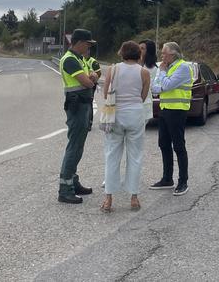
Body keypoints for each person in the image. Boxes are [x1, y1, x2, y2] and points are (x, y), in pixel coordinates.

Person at [100, 41, 150, 212]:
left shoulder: (113, 69)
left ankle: (108, 198)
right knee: (135, 156)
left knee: (112, 155)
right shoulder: (144, 72)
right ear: (139, 54)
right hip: (135, 114)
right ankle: (134, 197)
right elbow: (143, 96)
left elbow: (106, 93)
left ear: (121, 53)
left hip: (115, 115)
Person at [57, 29, 99, 204]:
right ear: (79, 42)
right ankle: (65, 189)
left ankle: (73, 182)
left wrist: (93, 76)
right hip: (77, 106)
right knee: (74, 146)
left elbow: (94, 75)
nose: (89, 47)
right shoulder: (70, 60)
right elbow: (88, 81)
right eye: (88, 44)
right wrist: (92, 78)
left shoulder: (80, 59)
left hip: (83, 104)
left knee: (78, 146)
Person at [149, 41, 194, 196]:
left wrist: (161, 74)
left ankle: (183, 182)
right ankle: (167, 178)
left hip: (177, 111)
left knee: (179, 146)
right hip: (165, 110)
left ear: (173, 53)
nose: (162, 56)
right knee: (164, 144)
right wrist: (161, 78)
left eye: (164, 53)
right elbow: (155, 88)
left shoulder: (182, 67)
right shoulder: (168, 68)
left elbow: (166, 86)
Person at [139, 39, 158, 122]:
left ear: (149, 51)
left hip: (144, 103)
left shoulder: (153, 69)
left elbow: (153, 88)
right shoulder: (133, 65)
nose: (139, 50)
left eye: (142, 48)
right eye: (138, 48)